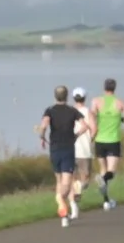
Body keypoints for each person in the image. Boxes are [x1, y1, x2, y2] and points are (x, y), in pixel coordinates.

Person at [37, 85, 92, 226]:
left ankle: (63, 212)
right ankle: (62, 202)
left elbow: (44, 125)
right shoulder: (72, 111)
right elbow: (85, 126)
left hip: (55, 150)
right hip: (68, 149)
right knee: (67, 182)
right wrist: (76, 135)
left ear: (55, 96)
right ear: (67, 96)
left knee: (59, 181)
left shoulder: (50, 110)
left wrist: (42, 136)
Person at [90, 80, 124, 207]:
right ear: (115, 88)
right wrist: (122, 119)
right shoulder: (120, 102)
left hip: (99, 140)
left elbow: (92, 116)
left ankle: (106, 201)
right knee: (111, 172)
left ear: (104, 88)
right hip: (113, 140)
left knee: (103, 169)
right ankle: (103, 180)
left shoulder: (96, 101)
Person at [70, 86, 94, 188]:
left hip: (70, 148)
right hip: (85, 149)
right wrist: (91, 139)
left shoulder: (69, 111)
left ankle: (76, 192)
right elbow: (94, 129)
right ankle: (78, 191)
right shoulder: (88, 111)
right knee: (85, 176)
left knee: (73, 176)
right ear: (85, 97)